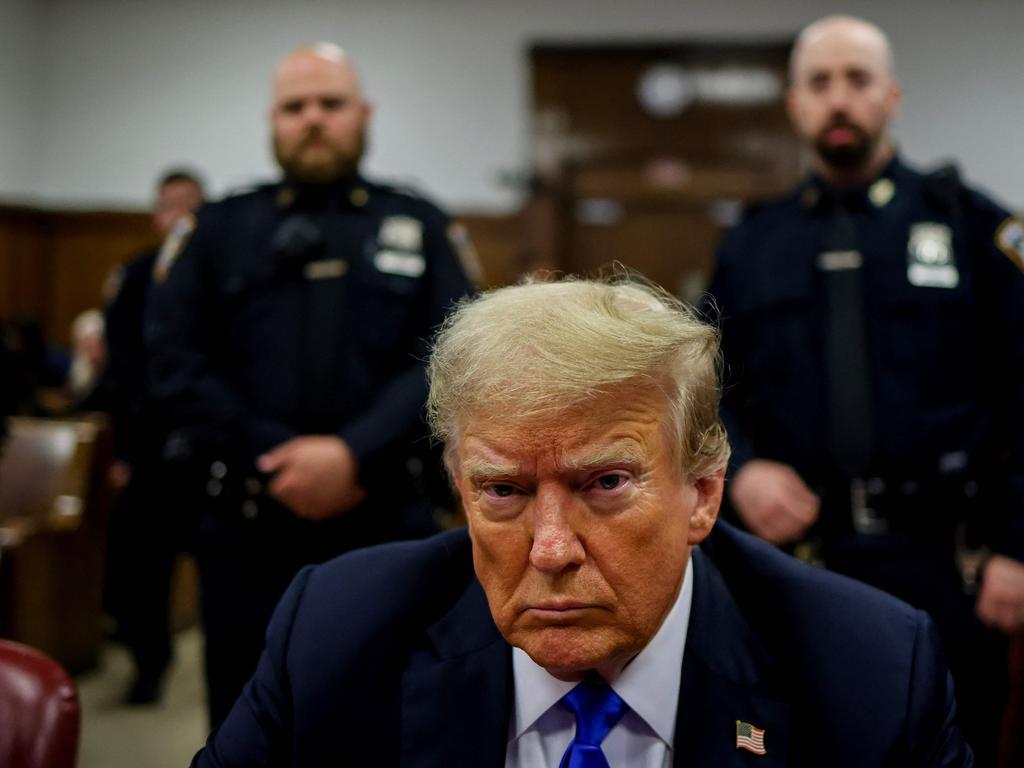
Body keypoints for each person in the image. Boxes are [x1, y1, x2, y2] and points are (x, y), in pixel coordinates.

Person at [192, 276, 970, 767]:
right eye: (503, 491)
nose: (552, 548)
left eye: (604, 483)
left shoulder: (868, 674)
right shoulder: (335, 633)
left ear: (702, 493)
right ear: (460, 489)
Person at [705, 15, 1024, 763]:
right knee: (796, 743)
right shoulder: (754, 244)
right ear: (794, 106)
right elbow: (699, 383)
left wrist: (1017, 545)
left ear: (893, 96)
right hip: (798, 556)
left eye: (857, 80)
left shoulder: (972, 227)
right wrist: (744, 468)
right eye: (819, 83)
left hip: (947, 563)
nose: (839, 99)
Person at [146, 43, 474, 725]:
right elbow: (174, 362)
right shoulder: (218, 230)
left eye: (331, 103)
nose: (314, 119)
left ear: (364, 113)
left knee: (392, 718)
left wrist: (351, 452)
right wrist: (279, 456)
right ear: (273, 120)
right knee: (248, 718)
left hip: (385, 518)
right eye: (296, 107)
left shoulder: (418, 223)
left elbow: (455, 353)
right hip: (246, 523)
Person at [102, 168, 205, 704]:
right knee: (140, 568)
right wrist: (123, 450)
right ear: (154, 213)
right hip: (147, 448)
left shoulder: (220, 273)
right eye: (169, 205)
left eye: (189, 204)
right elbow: (117, 368)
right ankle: (148, 664)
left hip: (209, 447)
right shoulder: (136, 275)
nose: (178, 216)